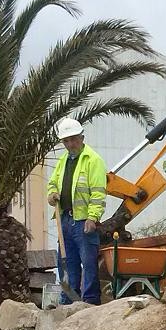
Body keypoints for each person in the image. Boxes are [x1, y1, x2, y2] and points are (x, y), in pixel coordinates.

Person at [46, 117, 107, 305]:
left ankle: (89, 301)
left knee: (88, 263)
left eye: (73, 139)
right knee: (67, 263)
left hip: (83, 221)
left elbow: (98, 193)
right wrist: (52, 194)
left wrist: (92, 217)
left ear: (81, 137)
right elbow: (53, 183)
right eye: (66, 141)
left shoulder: (93, 160)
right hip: (65, 219)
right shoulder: (63, 160)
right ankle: (68, 301)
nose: (70, 144)